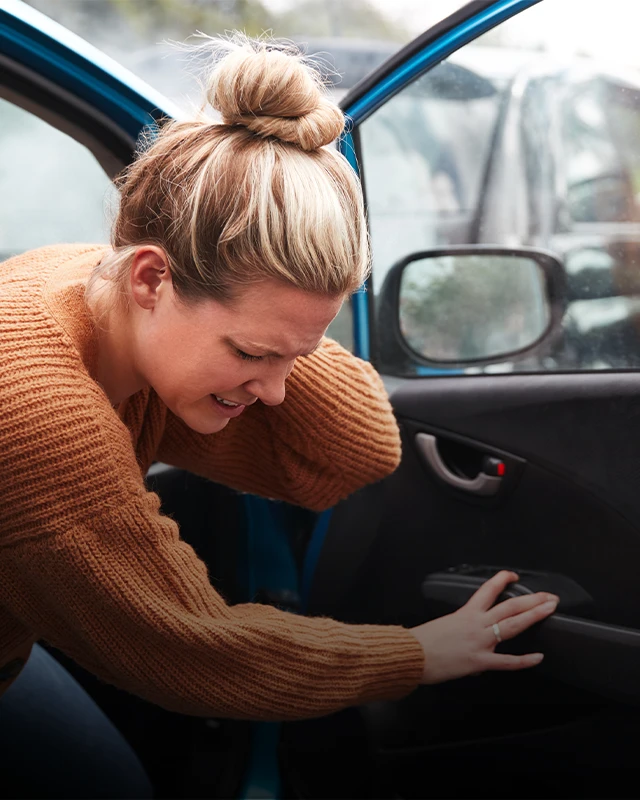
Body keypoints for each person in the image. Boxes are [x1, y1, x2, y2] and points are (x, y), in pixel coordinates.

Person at [0, 34, 558, 798]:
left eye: (301, 355)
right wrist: (418, 655)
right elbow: (194, 652)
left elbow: (357, 449)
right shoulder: (36, 415)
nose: (276, 393)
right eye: (252, 353)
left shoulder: (90, 279)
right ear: (150, 277)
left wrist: (284, 329)